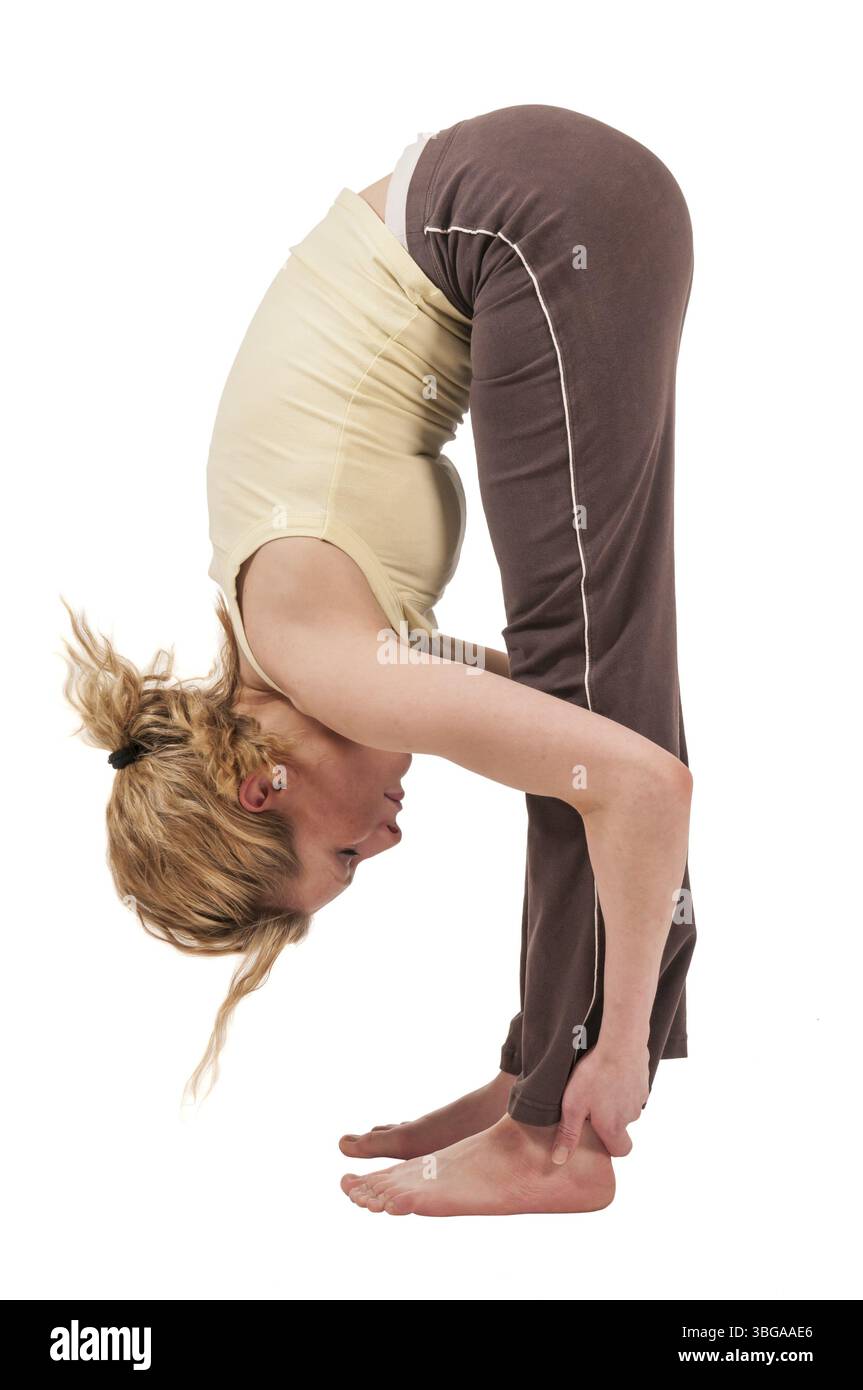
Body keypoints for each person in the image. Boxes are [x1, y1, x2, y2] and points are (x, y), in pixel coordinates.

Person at [64, 105, 696, 1217]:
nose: (390, 834)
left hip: (527, 220)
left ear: (264, 784)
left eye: (345, 854)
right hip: (545, 207)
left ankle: (558, 1133)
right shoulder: (309, 638)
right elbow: (577, 731)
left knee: (589, 742)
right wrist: (526, 1056)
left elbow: (641, 784)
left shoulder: (326, 663)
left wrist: (620, 1045)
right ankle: (540, 1085)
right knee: (579, 716)